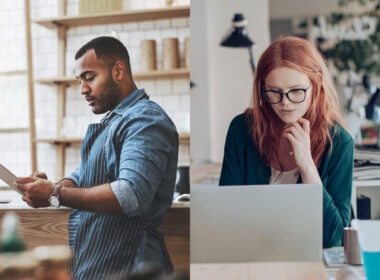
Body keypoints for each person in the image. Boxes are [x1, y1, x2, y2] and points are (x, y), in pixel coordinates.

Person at [15, 36, 179, 279]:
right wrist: (50, 187)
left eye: (90, 78)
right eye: (80, 80)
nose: (83, 89)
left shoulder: (145, 120)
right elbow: (81, 177)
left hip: (133, 264)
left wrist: (54, 193)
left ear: (119, 71)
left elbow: (131, 195)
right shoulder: (114, 122)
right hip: (100, 263)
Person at [219, 36, 354, 248]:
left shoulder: (339, 142)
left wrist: (308, 166)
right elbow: (225, 214)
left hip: (310, 257)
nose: (285, 103)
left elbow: (334, 237)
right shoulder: (242, 129)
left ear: (315, 86)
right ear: (262, 89)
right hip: (251, 252)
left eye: (296, 91)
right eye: (274, 92)